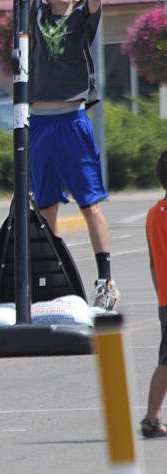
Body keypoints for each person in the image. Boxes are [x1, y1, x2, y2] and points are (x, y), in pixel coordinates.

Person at [27, 0, 119, 309]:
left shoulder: (82, 18)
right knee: (46, 207)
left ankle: (105, 281)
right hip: (39, 122)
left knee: (89, 204)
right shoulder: (36, 15)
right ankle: (51, 283)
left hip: (71, 121)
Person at [140, 150, 167, 438]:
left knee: (166, 360)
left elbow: (152, 261)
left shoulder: (153, 215)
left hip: (165, 299)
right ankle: (150, 417)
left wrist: (160, 293)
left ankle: (152, 417)